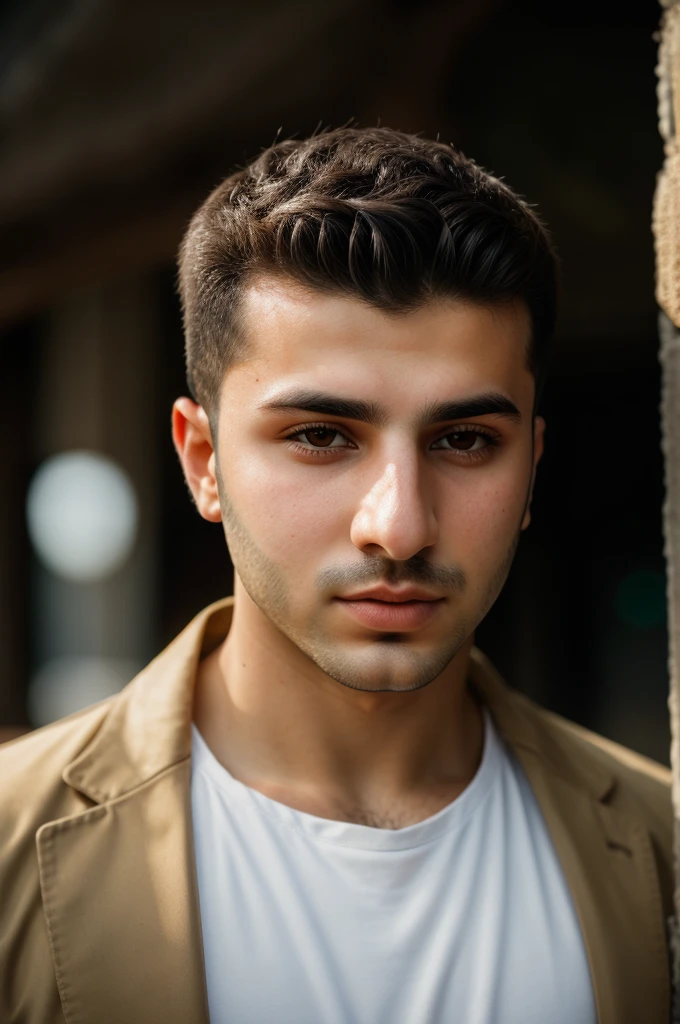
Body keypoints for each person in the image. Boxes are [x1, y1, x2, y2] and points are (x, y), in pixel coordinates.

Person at [0, 127, 672, 1024]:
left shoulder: (663, 851)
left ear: (531, 472)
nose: (397, 525)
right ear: (203, 460)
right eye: (321, 436)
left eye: (465, 441)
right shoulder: (9, 852)